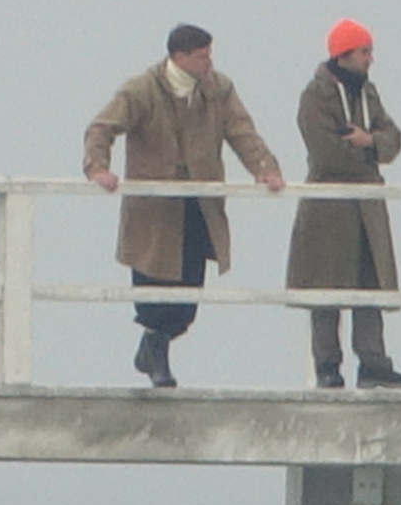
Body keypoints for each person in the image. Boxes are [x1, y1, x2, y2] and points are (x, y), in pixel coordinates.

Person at [85, 24, 284, 387]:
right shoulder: (141, 90)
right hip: (155, 212)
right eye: (201, 55)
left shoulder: (218, 89)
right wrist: (98, 168)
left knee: (188, 295)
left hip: (199, 203)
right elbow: (102, 127)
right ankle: (155, 356)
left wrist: (265, 168)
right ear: (180, 57)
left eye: (210, 54)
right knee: (154, 289)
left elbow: (242, 131)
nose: (209, 61)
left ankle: (153, 349)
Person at [285, 19, 401, 388]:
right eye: (365, 52)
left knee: (369, 284)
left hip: (367, 207)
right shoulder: (315, 97)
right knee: (325, 289)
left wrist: (368, 141)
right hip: (328, 207)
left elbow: (394, 139)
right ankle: (327, 367)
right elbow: (326, 153)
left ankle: (374, 364)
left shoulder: (368, 93)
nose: (371, 59)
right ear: (344, 55)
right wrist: (368, 149)